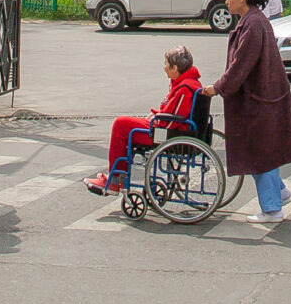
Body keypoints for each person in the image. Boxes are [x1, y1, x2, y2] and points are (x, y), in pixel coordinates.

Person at [202, 0, 291, 224]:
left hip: (259, 100)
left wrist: (217, 88)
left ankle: (272, 209)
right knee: (262, 150)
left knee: (261, 152)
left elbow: (241, 65)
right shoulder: (253, 21)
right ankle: (280, 192)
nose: (226, 1)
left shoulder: (254, 25)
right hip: (261, 97)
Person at [84, 45, 203, 195]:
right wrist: (157, 115)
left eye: (166, 64)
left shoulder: (185, 88)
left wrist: (157, 120)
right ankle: (117, 177)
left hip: (165, 132)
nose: (163, 67)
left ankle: (115, 180)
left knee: (120, 125)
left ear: (174, 68)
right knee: (124, 124)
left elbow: (173, 121)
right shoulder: (188, 83)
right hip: (164, 126)